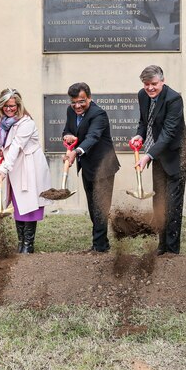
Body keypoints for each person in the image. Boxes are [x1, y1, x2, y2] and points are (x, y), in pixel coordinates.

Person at [130, 65, 186, 255]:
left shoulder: (174, 99)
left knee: (172, 205)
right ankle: (162, 246)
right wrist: (139, 136)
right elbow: (144, 121)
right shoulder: (142, 95)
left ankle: (172, 251)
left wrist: (148, 155)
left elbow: (168, 133)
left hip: (176, 156)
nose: (150, 88)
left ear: (162, 81)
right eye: (146, 84)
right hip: (158, 156)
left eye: (154, 84)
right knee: (159, 203)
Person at [62, 82, 120, 252]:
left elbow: (92, 137)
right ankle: (102, 243)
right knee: (93, 207)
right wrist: (67, 136)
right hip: (87, 167)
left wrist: (76, 151)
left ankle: (99, 247)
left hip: (104, 167)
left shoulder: (99, 114)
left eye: (81, 101)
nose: (77, 106)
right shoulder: (70, 111)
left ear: (89, 98)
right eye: (74, 102)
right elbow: (67, 130)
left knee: (100, 206)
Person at [0, 88, 52, 253]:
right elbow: (6, 146)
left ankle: (28, 246)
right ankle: (20, 245)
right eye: (6, 106)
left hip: (29, 168)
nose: (9, 109)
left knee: (29, 204)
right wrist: (1, 151)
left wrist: (4, 168)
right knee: (19, 205)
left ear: (18, 105)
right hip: (15, 168)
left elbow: (17, 146)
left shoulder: (26, 123)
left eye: (12, 105)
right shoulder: (3, 123)